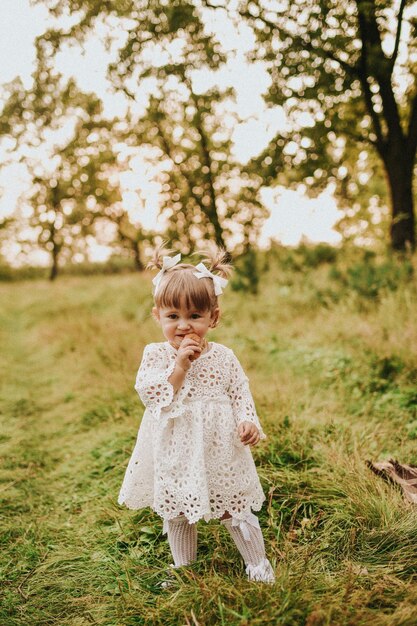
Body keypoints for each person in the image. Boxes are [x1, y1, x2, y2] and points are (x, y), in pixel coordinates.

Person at [118, 243, 275, 583]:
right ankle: (184, 570)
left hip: (220, 448)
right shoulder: (156, 355)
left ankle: (258, 566)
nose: (183, 326)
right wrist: (179, 366)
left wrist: (248, 420)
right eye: (173, 316)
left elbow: (239, 391)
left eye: (194, 316)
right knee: (177, 511)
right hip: (175, 448)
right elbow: (152, 395)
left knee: (234, 505)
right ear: (158, 316)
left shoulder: (223, 356)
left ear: (213, 318)